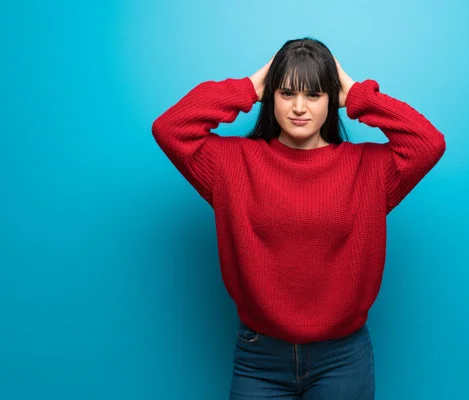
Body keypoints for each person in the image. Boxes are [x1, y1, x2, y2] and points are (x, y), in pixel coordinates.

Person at [151, 37, 446, 399]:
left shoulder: (369, 169)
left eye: (315, 95)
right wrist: (250, 87)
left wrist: (356, 94)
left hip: (343, 357)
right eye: (287, 93)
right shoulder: (230, 165)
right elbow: (169, 129)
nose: (299, 108)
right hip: (258, 355)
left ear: (331, 100)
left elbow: (428, 144)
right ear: (271, 97)